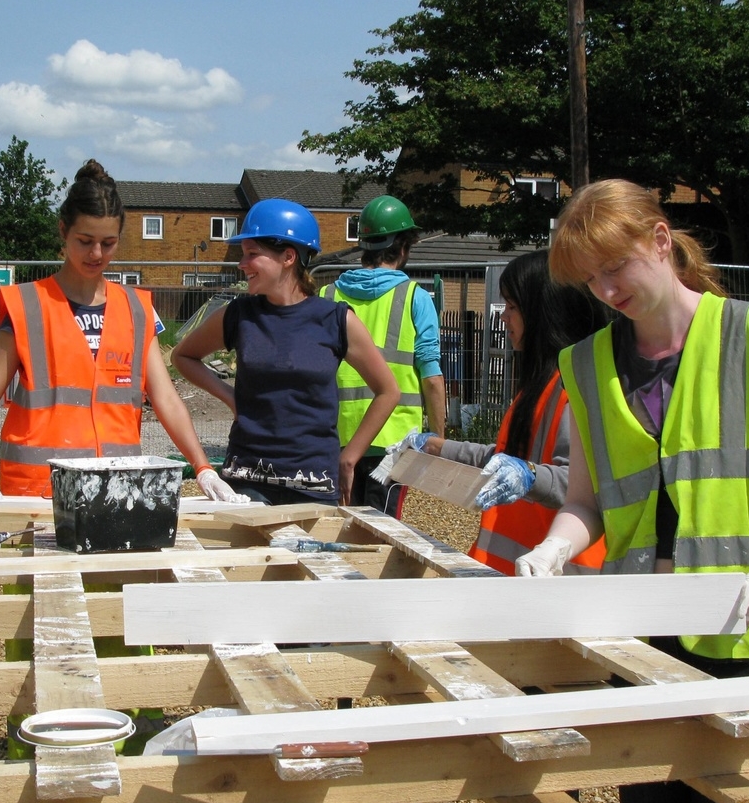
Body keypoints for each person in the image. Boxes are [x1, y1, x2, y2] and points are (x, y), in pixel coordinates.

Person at [524, 179, 749, 803]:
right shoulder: (585, 367)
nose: (608, 291)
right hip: (645, 634)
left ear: (661, 240)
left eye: (617, 267)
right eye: (591, 279)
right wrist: (555, 546)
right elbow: (586, 501)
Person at [0, 160, 241, 756]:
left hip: (118, 499)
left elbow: (164, 395)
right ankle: (30, 747)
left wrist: (204, 468)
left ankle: (129, 741)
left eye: (108, 242)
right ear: (61, 232)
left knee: (120, 619)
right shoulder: (25, 303)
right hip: (36, 498)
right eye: (85, 240)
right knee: (41, 629)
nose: (97, 253)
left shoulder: (137, 308)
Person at [174, 198, 400, 505]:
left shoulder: (335, 320)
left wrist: (350, 457)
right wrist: (231, 397)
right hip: (246, 481)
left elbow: (388, 391)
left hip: (313, 486)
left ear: (288, 257)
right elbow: (182, 357)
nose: (242, 264)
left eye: (252, 254)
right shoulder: (238, 314)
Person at [401, 250, 610, 575]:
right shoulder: (541, 387)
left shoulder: (575, 390)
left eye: (512, 307)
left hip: (560, 582)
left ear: (544, 313)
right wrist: (438, 447)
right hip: (520, 579)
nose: (503, 316)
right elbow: (508, 459)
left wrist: (528, 477)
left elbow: (576, 484)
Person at [321, 194, 446, 517]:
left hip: (335, 438)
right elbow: (431, 378)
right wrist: (439, 437)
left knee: (337, 530)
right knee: (382, 534)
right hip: (394, 442)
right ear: (403, 246)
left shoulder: (327, 296)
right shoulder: (415, 298)